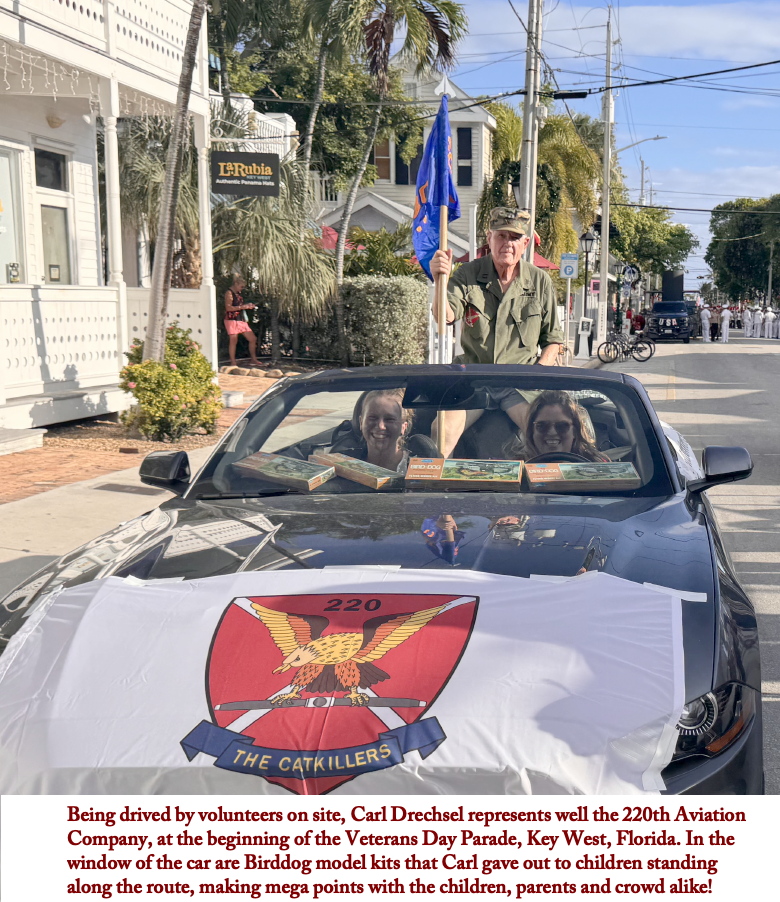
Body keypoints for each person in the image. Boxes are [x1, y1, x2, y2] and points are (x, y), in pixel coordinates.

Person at [429, 207, 563, 457]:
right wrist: (439, 280)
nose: (507, 244)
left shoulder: (539, 281)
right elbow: (444, 316)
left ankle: (548, 487)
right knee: (441, 432)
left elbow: (553, 339)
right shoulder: (468, 273)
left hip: (519, 383)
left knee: (544, 433)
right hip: (473, 379)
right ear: (489, 238)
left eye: (514, 238)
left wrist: (538, 374)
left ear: (525, 243)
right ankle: (430, 490)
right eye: (501, 236)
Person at [522, 390, 606, 461]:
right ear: (532, 431)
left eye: (562, 426)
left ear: (575, 431)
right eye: (542, 426)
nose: (552, 432)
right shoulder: (516, 469)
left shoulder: (597, 463)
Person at [358, 389, 412, 473]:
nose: (380, 426)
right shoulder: (344, 465)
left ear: (403, 427)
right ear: (361, 422)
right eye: (372, 418)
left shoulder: (416, 469)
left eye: (389, 419)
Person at [224, 275, 261, 367]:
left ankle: (253, 359)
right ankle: (233, 362)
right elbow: (228, 308)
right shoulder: (229, 293)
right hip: (232, 319)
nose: (242, 289)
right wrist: (242, 307)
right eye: (241, 286)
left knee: (252, 339)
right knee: (233, 340)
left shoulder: (237, 293)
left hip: (240, 319)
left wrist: (247, 306)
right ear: (236, 284)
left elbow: (238, 305)